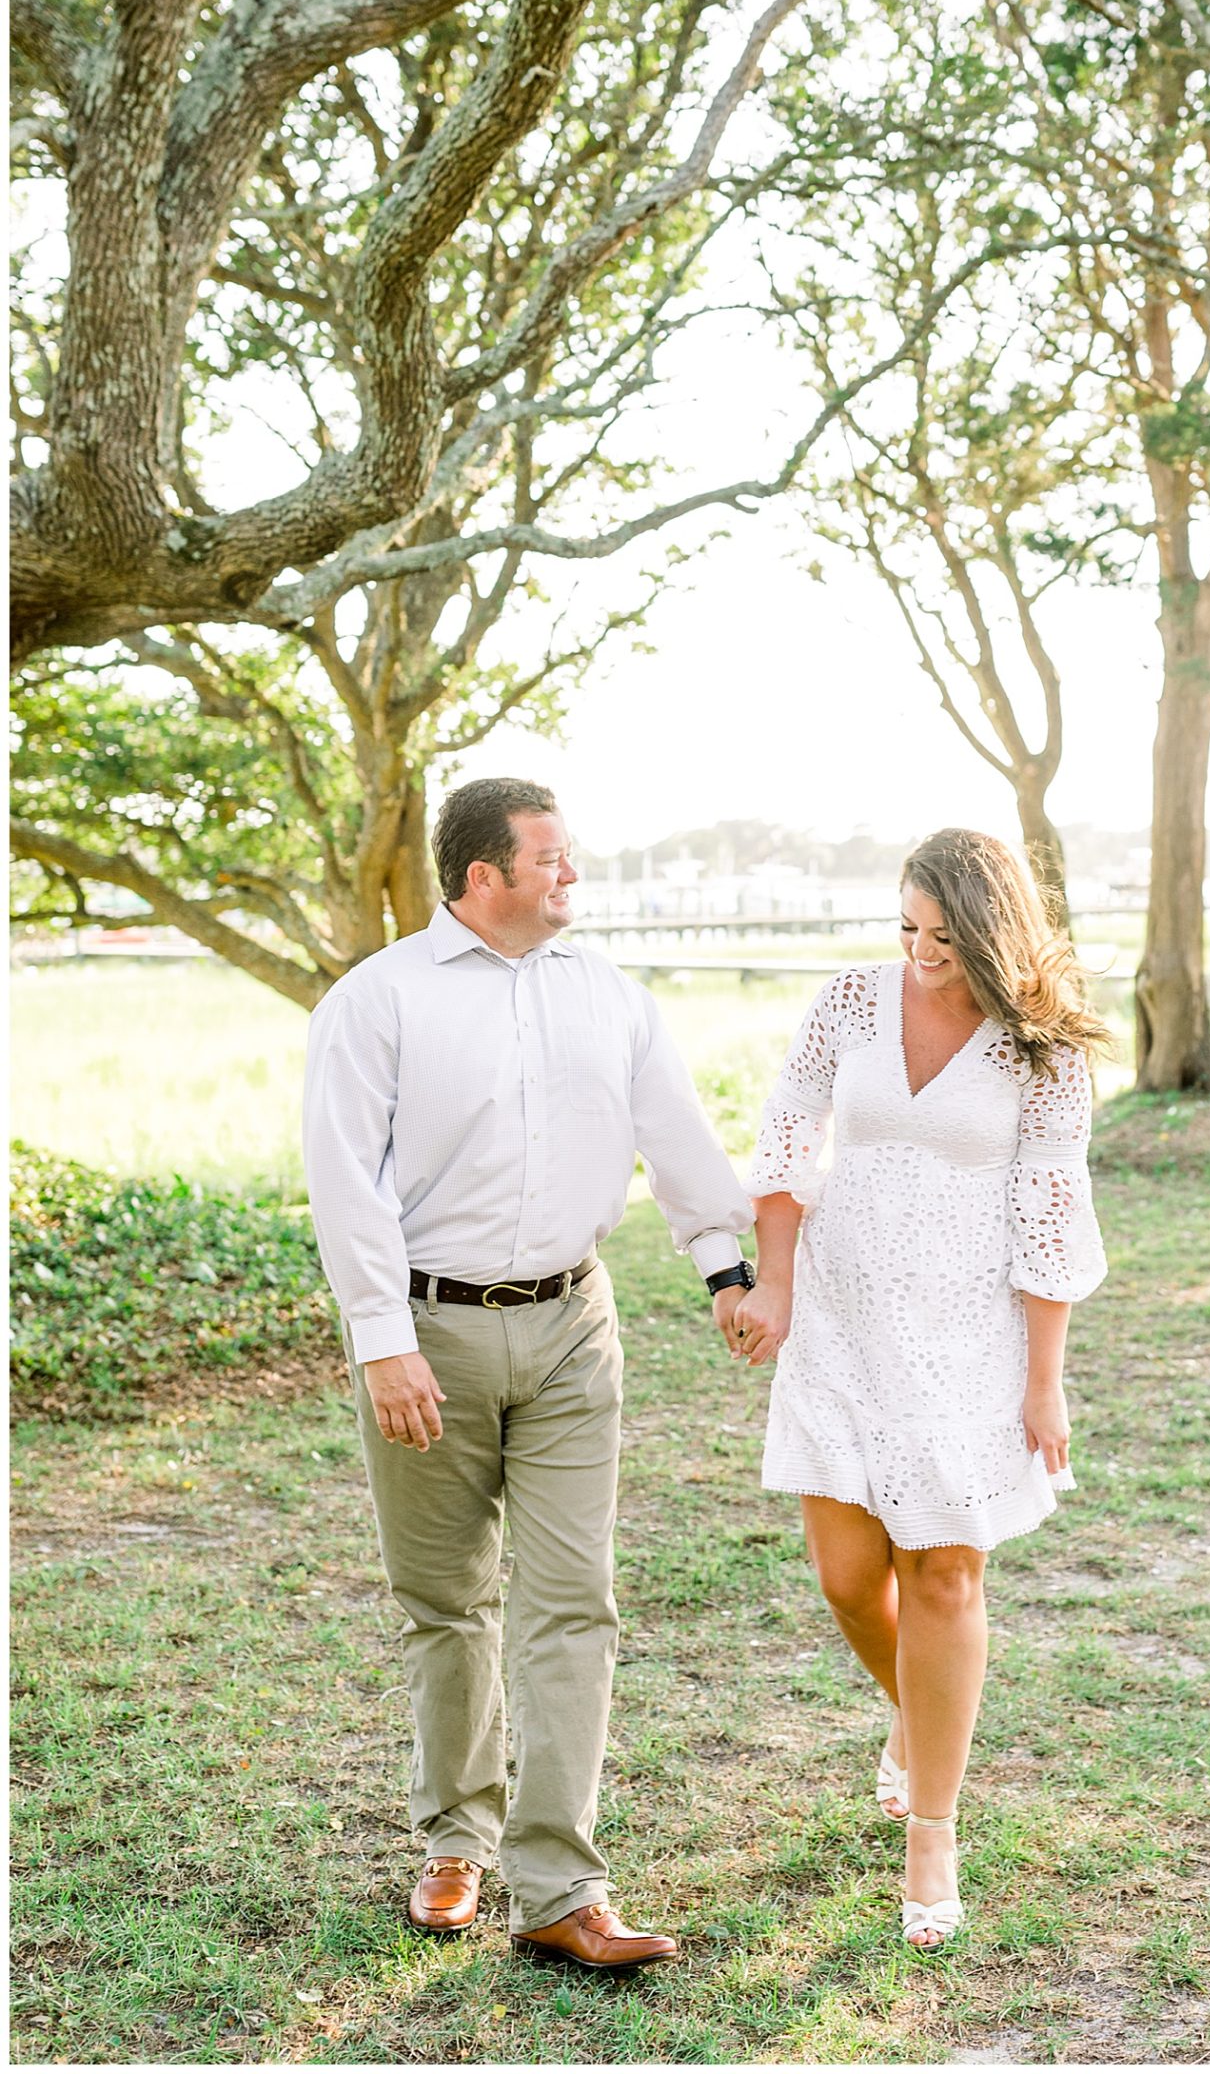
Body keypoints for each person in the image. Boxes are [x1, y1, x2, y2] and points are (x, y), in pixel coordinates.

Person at [302, 778, 757, 1971]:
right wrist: (382, 1338)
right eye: (548, 860)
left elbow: (678, 1133)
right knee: (446, 1601)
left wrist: (726, 1269)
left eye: (571, 857)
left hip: (572, 1327)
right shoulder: (377, 1001)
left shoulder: (609, 997)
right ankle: (456, 1837)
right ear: (480, 877)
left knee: (574, 1600)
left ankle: (558, 1884)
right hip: (428, 1334)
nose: (573, 876)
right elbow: (345, 1180)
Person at [730, 827, 1110, 1947]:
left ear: (995, 934)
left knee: (942, 1574)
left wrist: (1046, 1382)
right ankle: (918, 1713)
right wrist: (777, 1289)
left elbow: (1051, 1212)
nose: (921, 952)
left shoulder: (1043, 1047)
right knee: (850, 1576)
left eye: (945, 937)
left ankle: (932, 1827)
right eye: (907, 928)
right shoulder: (850, 1001)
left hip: (968, 1336)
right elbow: (789, 1142)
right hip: (843, 1319)